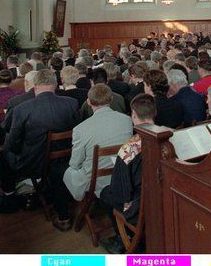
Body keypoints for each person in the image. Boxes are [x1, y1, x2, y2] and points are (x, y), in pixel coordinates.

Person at [0, 70, 79, 214]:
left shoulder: (22, 109)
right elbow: (76, 134)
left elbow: (12, 144)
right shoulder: (71, 103)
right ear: (56, 84)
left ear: (35, 86)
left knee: (3, 155)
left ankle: (10, 196)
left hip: (33, 163)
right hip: (64, 159)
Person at [48, 84, 133, 231]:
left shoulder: (81, 129)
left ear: (88, 102)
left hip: (97, 179)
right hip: (121, 173)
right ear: (111, 99)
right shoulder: (126, 120)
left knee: (57, 169)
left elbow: (74, 164)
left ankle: (63, 217)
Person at [98, 94, 155, 254]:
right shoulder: (169, 135)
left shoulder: (128, 149)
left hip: (140, 206)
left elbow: (121, 194)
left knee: (105, 193)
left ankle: (125, 237)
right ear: (154, 113)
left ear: (134, 115)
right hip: (162, 196)